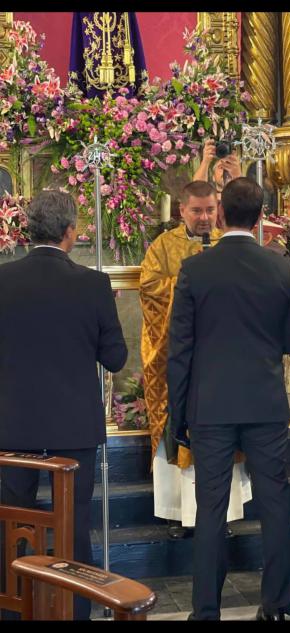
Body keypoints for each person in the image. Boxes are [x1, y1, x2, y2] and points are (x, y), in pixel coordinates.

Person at [167, 176, 290, 621]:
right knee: (275, 503)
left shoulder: (195, 269)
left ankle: (206, 610)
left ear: (220, 214)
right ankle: (278, 606)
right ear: (262, 216)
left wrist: (177, 415)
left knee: (212, 509)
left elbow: (179, 350)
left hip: (211, 405)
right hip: (264, 401)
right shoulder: (282, 268)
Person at [0, 189, 128, 620]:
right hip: (73, 429)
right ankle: (74, 613)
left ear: (28, 229)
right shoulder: (93, 285)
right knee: (73, 527)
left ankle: (13, 610)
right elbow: (116, 358)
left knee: (12, 525)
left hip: (12, 426)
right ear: (71, 232)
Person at [140, 180, 252, 539]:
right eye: (197, 211)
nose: (204, 218)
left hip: (220, 357)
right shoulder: (163, 247)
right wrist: (191, 285)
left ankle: (226, 514)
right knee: (178, 428)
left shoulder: (227, 244)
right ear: (182, 211)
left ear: (218, 209)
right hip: (179, 356)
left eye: (209, 210)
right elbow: (150, 288)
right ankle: (176, 513)